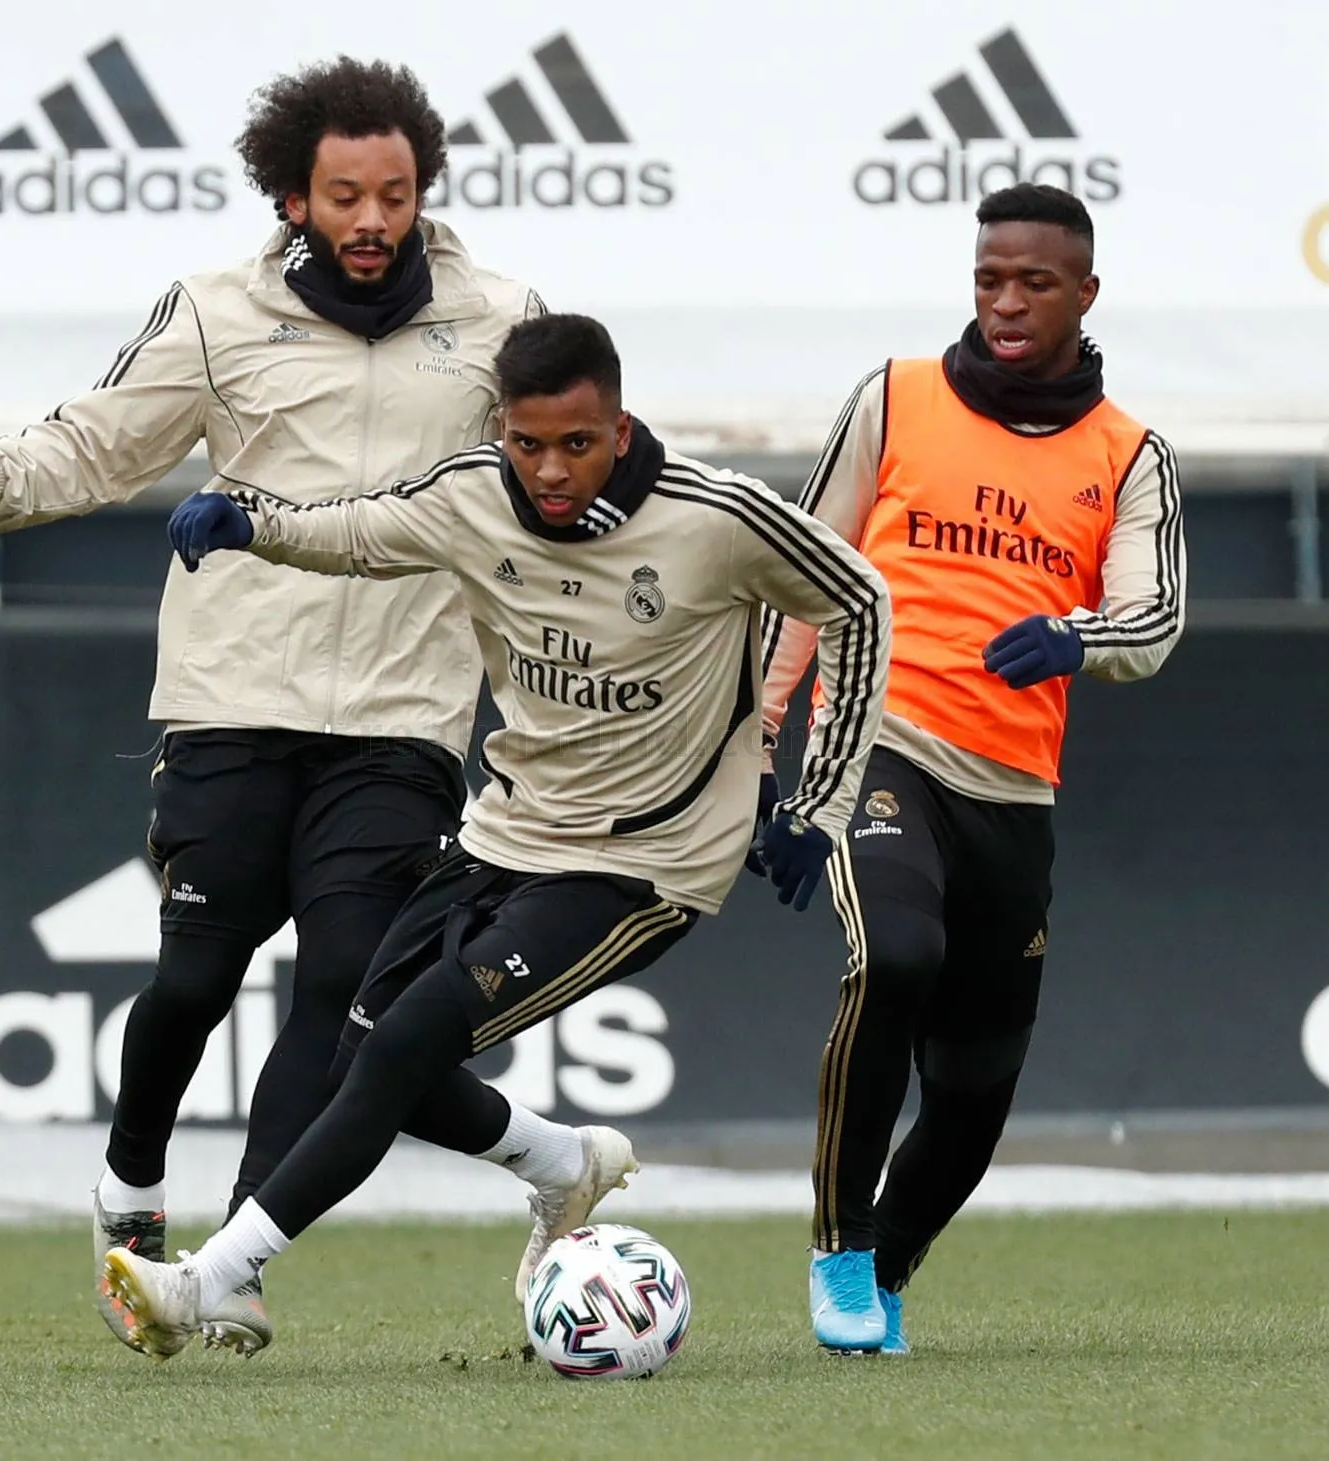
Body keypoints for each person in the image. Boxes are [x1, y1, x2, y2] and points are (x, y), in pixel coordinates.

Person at [0, 57, 608, 1358]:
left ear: (422, 189)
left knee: (343, 992)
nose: (375, 217)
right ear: (294, 197)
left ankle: (228, 1266)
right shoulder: (218, 314)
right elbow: (98, 441)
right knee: (195, 975)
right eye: (347, 194)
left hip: (403, 713)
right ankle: (132, 1187)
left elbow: (575, 460)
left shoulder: (499, 318)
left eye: (395, 191)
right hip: (233, 696)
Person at [95, 311, 891, 1358]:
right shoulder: (474, 495)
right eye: (526, 442)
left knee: (408, 1042)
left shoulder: (717, 516)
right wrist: (251, 523)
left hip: (643, 865)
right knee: (364, 1057)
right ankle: (562, 1166)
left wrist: (815, 801)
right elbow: (362, 530)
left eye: (575, 442)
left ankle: (215, 1279)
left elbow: (862, 601)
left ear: (619, 422)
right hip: (507, 831)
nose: (549, 469)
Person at [755, 183, 1186, 1355]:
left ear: (1083, 294)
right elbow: (807, 571)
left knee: (974, 1100)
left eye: (1032, 283)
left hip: (1014, 795)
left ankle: (888, 1266)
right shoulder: (893, 398)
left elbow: (1152, 622)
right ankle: (840, 1245)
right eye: (988, 277)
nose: (1004, 301)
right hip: (879, 744)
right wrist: (769, 749)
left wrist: (1074, 636)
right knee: (895, 954)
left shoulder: (1131, 455)